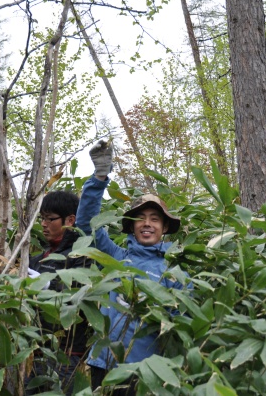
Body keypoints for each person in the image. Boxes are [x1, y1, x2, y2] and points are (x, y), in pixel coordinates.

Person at [75, 140, 186, 396]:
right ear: (131, 226)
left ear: (165, 228)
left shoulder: (174, 270)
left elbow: (181, 323)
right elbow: (87, 226)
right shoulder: (116, 256)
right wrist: (99, 177)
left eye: (155, 219)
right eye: (140, 218)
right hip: (104, 364)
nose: (147, 224)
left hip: (145, 371)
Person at [26, 190, 90, 395]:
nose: (43, 224)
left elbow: (76, 296)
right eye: (42, 218)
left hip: (65, 354)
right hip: (33, 352)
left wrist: (45, 286)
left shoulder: (81, 256)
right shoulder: (36, 259)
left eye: (50, 219)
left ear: (70, 220)